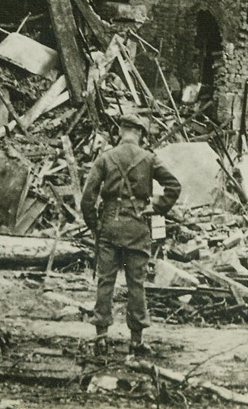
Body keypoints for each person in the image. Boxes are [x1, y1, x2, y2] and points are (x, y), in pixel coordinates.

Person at [80, 114, 182, 356]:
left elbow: (87, 198)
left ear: (121, 132)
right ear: (140, 134)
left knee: (106, 281)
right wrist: (157, 207)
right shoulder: (149, 159)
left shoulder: (105, 158)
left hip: (110, 227)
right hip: (137, 227)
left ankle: (101, 337)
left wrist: (95, 226)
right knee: (136, 284)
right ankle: (136, 340)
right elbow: (174, 186)